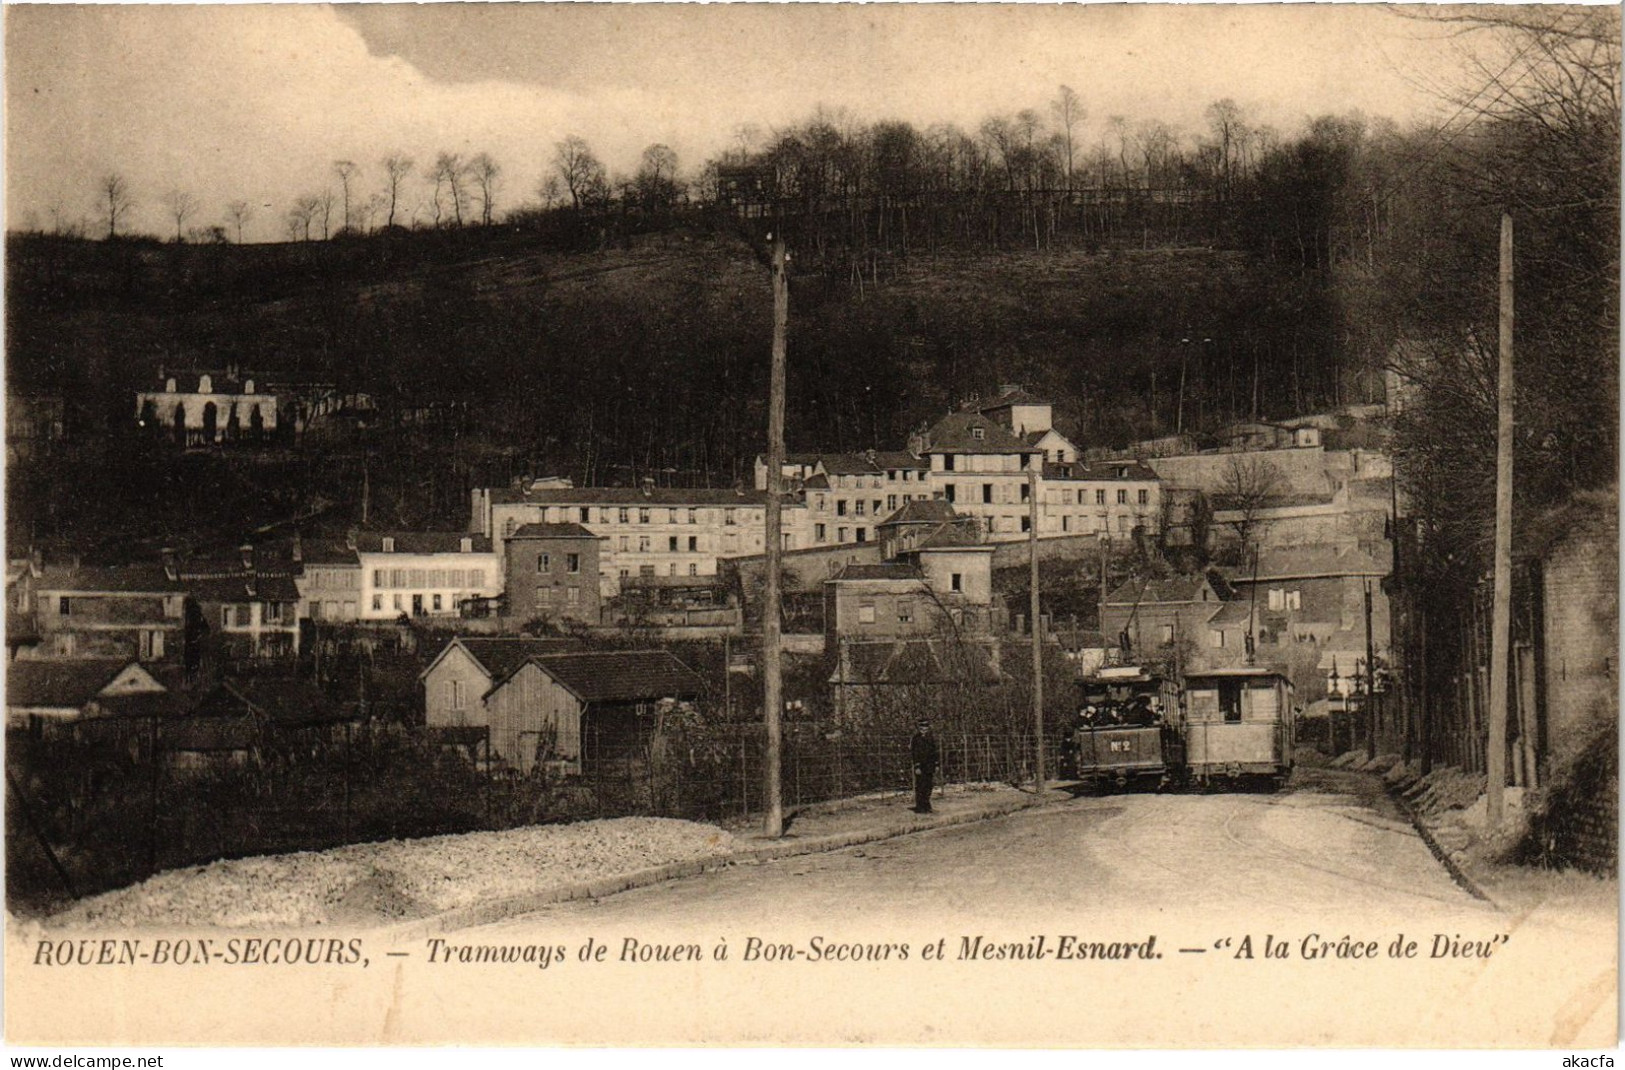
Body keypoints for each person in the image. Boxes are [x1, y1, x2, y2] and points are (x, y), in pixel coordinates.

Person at [910, 721, 939, 813]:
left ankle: (927, 805)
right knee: (920, 786)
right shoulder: (916, 739)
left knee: (928, 786)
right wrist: (917, 766)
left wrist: (936, 764)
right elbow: (915, 753)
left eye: (925, 728)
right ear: (919, 728)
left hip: (929, 765)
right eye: (922, 728)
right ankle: (920, 807)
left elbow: (934, 752)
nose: (924, 730)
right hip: (921, 766)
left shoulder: (930, 738)